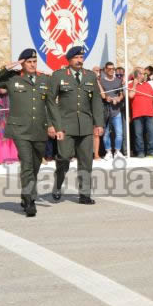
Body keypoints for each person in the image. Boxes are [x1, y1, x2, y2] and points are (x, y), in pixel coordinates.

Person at [0, 49, 54, 216]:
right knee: (27, 163)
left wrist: (52, 125)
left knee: (36, 163)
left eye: (34, 62)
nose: (32, 64)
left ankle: (26, 192)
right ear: (22, 63)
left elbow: (50, 105)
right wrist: (6, 67)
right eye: (29, 62)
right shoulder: (12, 78)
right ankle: (30, 199)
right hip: (20, 130)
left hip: (39, 128)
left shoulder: (43, 79)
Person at [49, 46, 104, 205]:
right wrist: (53, 124)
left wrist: (98, 123)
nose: (80, 60)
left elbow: (96, 101)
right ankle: (58, 184)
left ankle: (84, 194)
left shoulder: (90, 76)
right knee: (64, 157)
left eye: (81, 57)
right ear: (69, 59)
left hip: (86, 125)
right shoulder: (58, 76)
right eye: (76, 58)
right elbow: (50, 101)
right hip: (65, 125)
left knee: (86, 160)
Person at [128, 68, 153, 157]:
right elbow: (131, 96)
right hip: (137, 113)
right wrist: (134, 85)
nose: (144, 75)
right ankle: (140, 151)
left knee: (152, 132)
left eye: (144, 74)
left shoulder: (148, 85)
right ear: (137, 75)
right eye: (142, 73)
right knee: (138, 134)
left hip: (149, 112)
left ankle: (151, 151)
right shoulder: (130, 85)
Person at [99, 61, 125, 159]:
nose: (111, 70)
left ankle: (117, 151)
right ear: (105, 70)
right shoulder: (101, 81)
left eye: (113, 69)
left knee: (119, 133)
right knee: (106, 133)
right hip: (105, 110)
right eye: (109, 69)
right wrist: (107, 98)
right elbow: (101, 94)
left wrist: (118, 98)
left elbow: (121, 94)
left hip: (116, 110)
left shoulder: (118, 81)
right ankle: (108, 152)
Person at [0, 88, 19, 164]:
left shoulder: (12, 87)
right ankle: (2, 157)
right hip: (1, 117)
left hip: (12, 115)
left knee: (12, 136)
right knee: (1, 136)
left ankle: (12, 157)